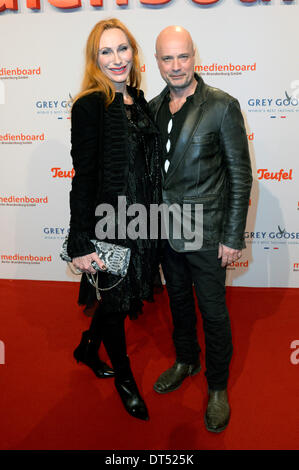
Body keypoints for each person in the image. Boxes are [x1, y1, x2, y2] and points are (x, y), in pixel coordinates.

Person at [149, 26, 252, 432]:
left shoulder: (222, 106)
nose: (176, 66)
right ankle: (186, 359)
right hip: (166, 231)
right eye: (167, 58)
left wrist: (232, 235)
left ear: (195, 56)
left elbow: (240, 175)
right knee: (177, 302)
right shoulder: (154, 107)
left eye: (182, 57)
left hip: (209, 233)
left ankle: (218, 387)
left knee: (213, 312)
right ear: (156, 62)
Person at [67, 18, 161, 421]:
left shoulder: (138, 100)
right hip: (110, 220)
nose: (117, 58)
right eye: (106, 51)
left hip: (143, 218)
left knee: (120, 297)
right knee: (117, 299)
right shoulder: (90, 105)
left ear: (133, 53)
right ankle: (124, 377)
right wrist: (80, 241)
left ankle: (87, 347)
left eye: (122, 49)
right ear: (95, 59)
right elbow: (83, 174)